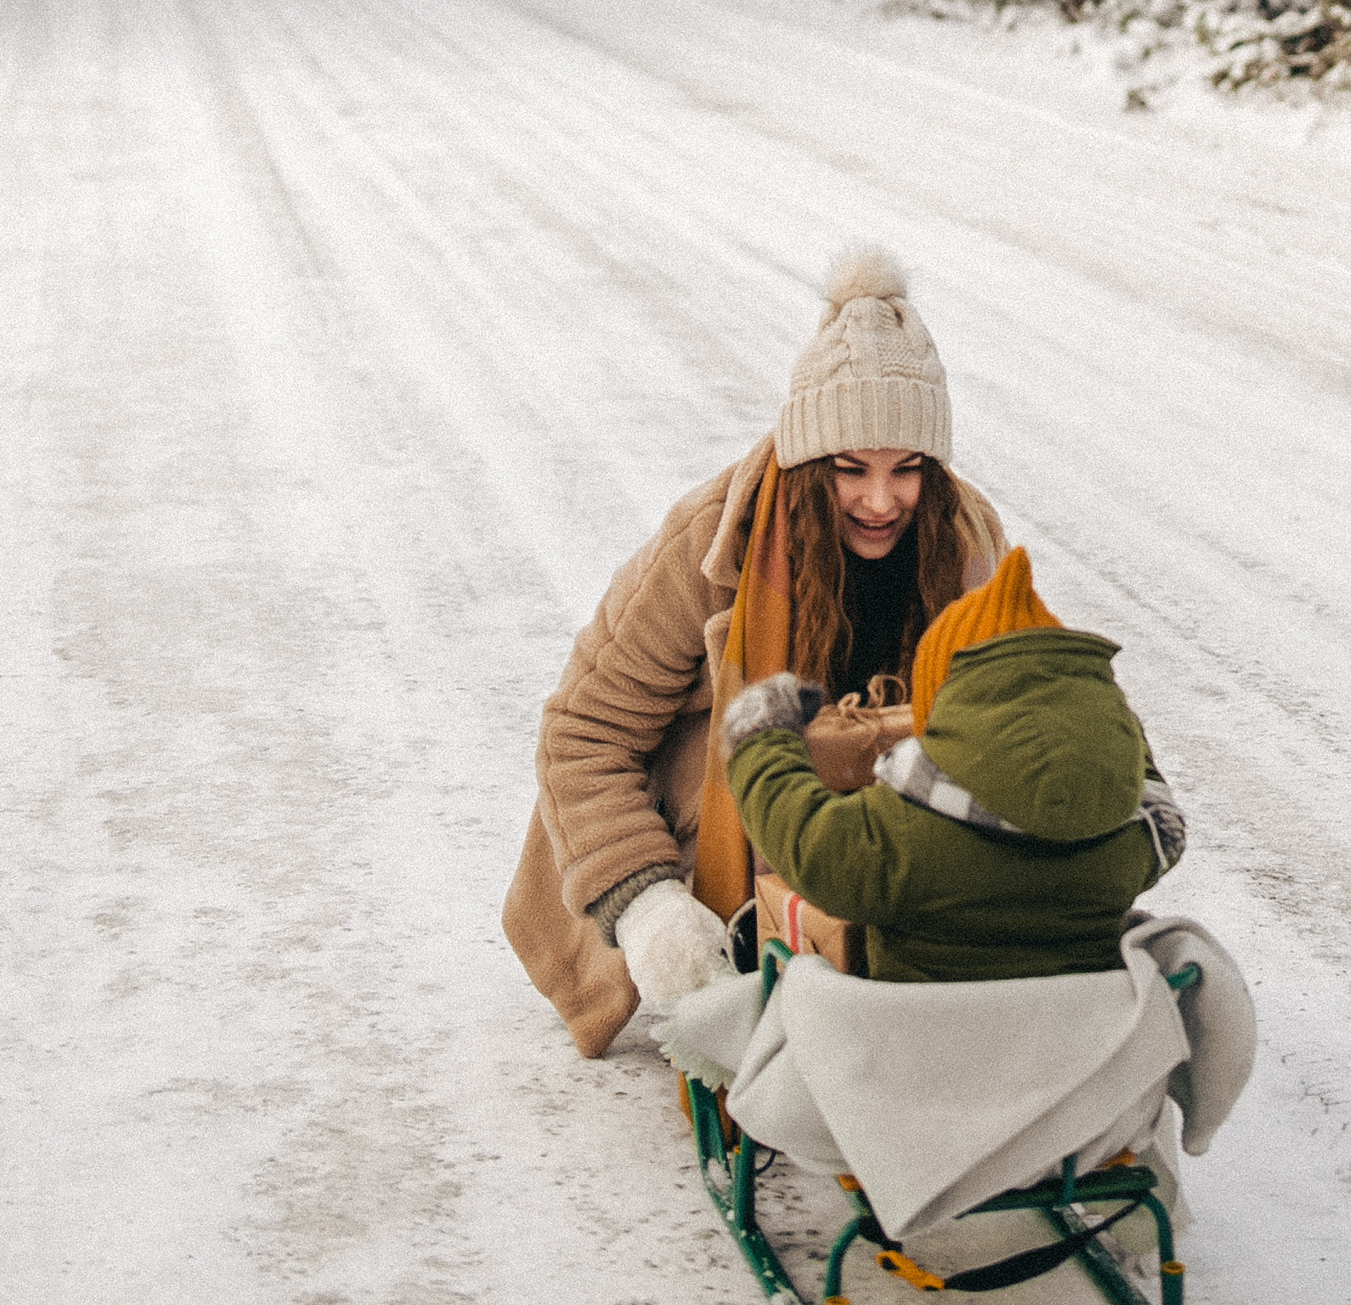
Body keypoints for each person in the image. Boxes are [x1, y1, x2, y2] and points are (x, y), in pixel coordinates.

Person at [503, 249, 1006, 1054]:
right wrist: (646, 906)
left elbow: (1009, 720)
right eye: (850, 469)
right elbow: (581, 733)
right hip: (716, 823)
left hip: (873, 817)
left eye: (907, 470)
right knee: (748, 741)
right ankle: (742, 954)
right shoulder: (712, 539)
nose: (881, 500)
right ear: (808, 461)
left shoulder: (964, 542)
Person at [717, 546, 1185, 985]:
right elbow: (1157, 804)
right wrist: (1095, 724)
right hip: (1075, 1059)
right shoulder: (1130, 843)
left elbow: (801, 835)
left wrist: (762, 737)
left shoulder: (900, 836)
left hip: (926, 1058)